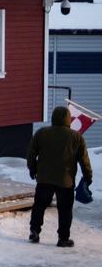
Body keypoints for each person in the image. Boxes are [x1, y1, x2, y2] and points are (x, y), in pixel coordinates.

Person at [26, 106, 93, 247]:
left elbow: (31, 154)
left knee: (39, 205)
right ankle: (63, 238)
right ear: (68, 119)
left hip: (44, 178)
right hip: (66, 181)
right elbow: (84, 160)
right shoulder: (76, 137)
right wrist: (88, 177)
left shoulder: (41, 133)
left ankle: (34, 231)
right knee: (65, 210)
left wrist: (32, 169)